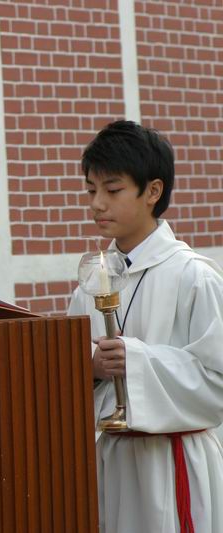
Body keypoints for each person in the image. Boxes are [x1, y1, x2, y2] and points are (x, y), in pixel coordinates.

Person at [67, 120, 223, 533]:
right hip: (112, 459)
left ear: (153, 191)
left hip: (172, 460)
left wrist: (134, 361)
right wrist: (92, 367)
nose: (97, 204)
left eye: (112, 190)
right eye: (91, 190)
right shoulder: (91, 280)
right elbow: (68, 368)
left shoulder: (194, 276)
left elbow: (217, 382)